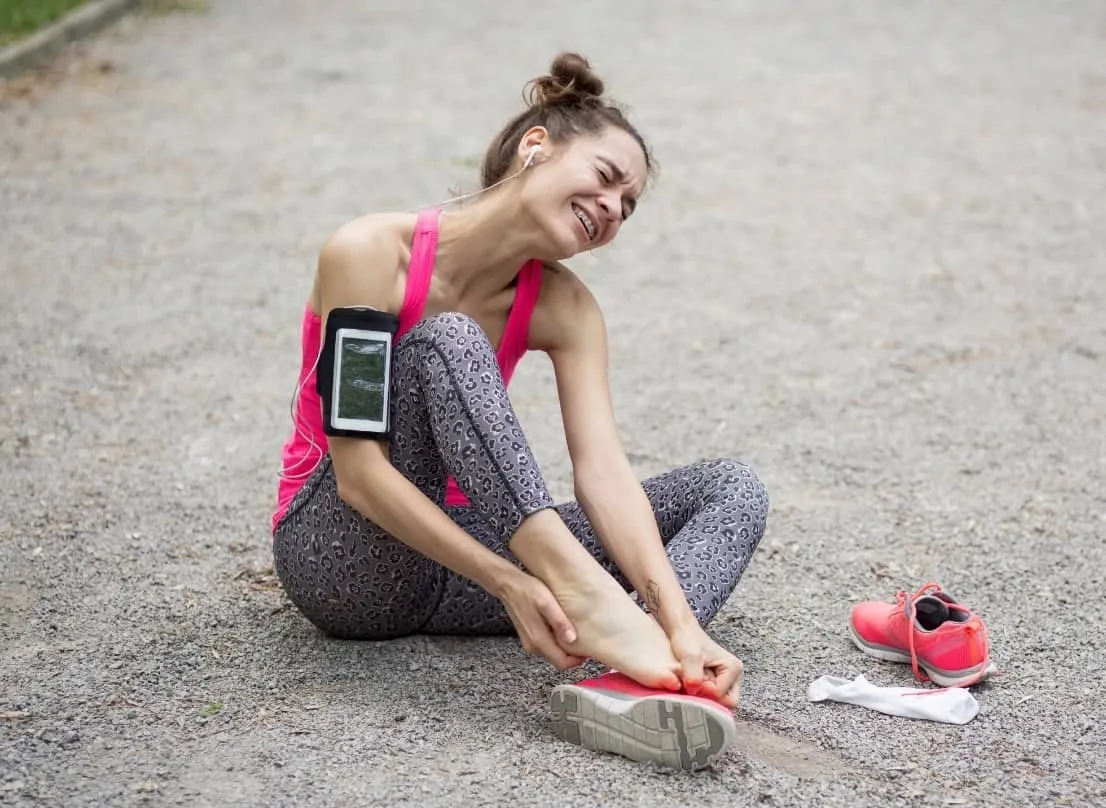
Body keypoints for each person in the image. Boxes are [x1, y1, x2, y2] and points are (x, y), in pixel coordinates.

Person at [270, 52, 769, 769]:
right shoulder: (370, 252)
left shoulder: (566, 309)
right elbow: (356, 474)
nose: (612, 208)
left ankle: (630, 680)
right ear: (536, 146)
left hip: (457, 573)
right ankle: (594, 604)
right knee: (447, 339)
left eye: (627, 206)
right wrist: (510, 581)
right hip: (347, 563)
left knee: (732, 489)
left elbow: (603, 474)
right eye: (605, 177)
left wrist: (680, 620)